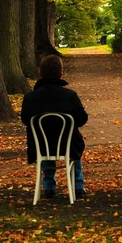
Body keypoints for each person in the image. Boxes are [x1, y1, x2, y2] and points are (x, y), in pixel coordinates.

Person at [20, 55, 88, 199]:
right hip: (68, 145)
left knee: (46, 141)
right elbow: (82, 119)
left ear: (40, 73)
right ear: (60, 73)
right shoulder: (70, 96)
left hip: (40, 146)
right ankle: (78, 186)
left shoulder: (30, 98)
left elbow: (26, 120)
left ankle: (49, 186)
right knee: (73, 142)